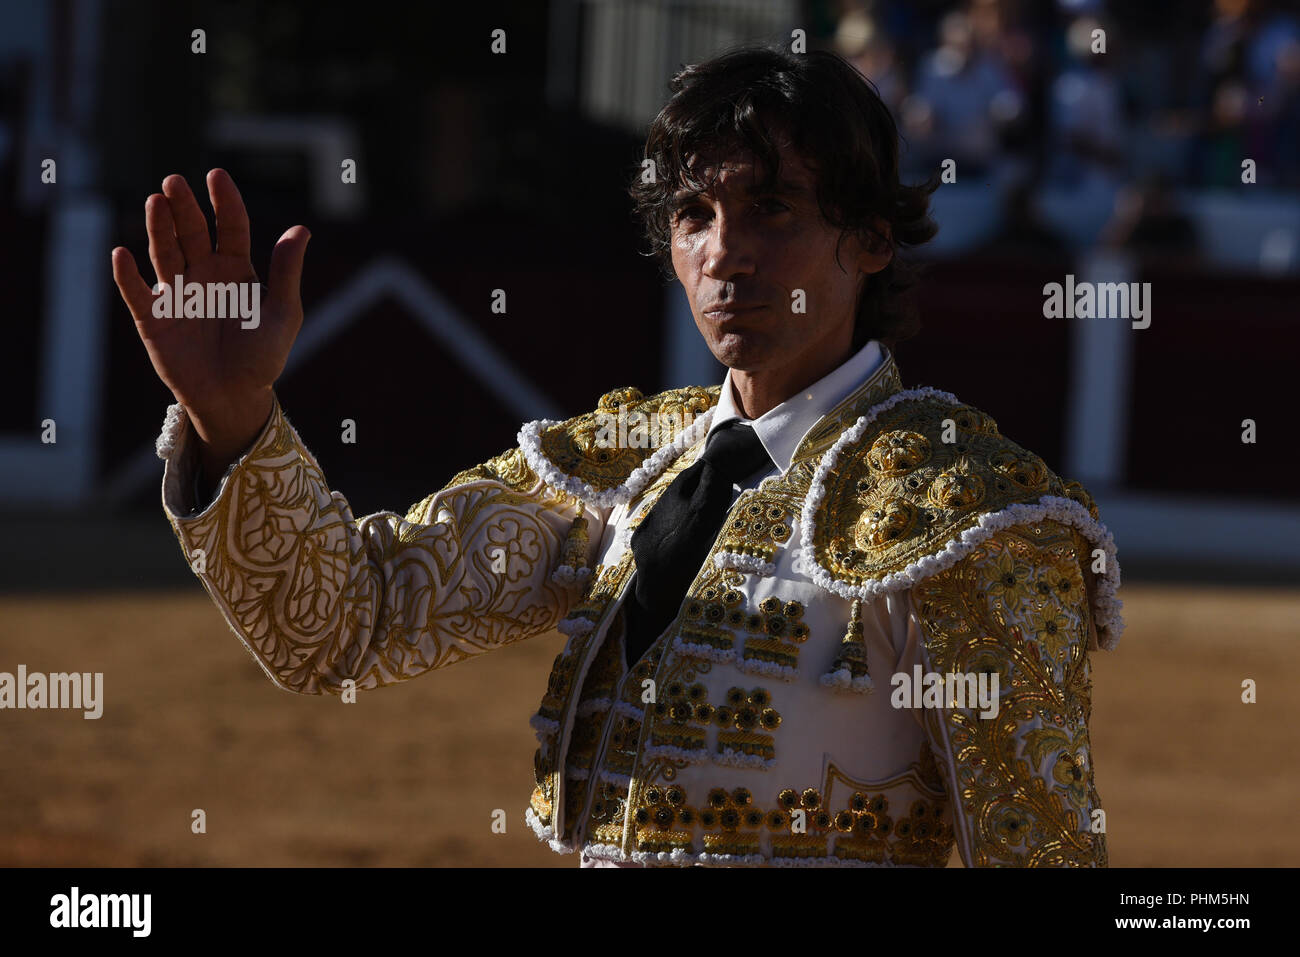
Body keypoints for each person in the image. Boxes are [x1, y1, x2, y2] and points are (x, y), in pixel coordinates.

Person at [112, 45, 1123, 867]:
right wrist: (234, 418)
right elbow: (339, 626)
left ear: (865, 239)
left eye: (770, 209)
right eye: (694, 216)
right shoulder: (619, 464)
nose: (725, 250)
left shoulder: (963, 510)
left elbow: (1036, 849)